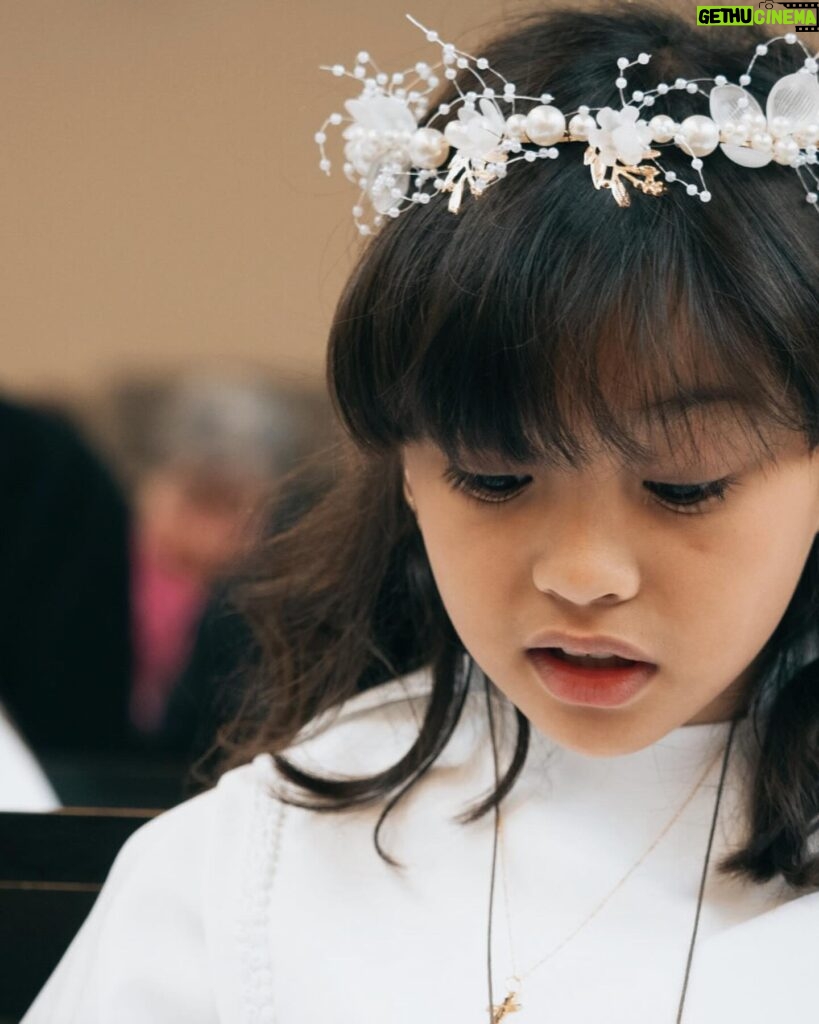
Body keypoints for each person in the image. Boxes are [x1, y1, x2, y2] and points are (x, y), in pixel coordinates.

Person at [20, 2, 819, 1020]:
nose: (581, 572)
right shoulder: (251, 872)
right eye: (494, 478)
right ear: (402, 461)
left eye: (682, 486)